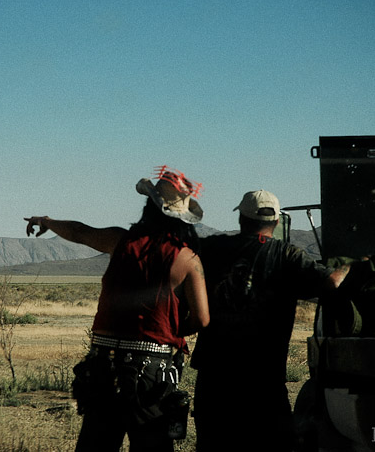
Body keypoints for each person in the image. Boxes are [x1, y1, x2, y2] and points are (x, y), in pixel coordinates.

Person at [25, 166, 210, 452]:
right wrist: (171, 330)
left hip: (103, 366)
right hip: (152, 371)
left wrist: (45, 221)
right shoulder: (187, 259)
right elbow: (202, 318)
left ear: (149, 205)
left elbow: (78, 231)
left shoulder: (120, 240)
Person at [190, 190, 349, 452]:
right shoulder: (287, 255)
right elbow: (331, 282)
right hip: (263, 379)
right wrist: (351, 266)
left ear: (241, 218)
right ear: (277, 222)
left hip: (215, 377)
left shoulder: (213, 247)